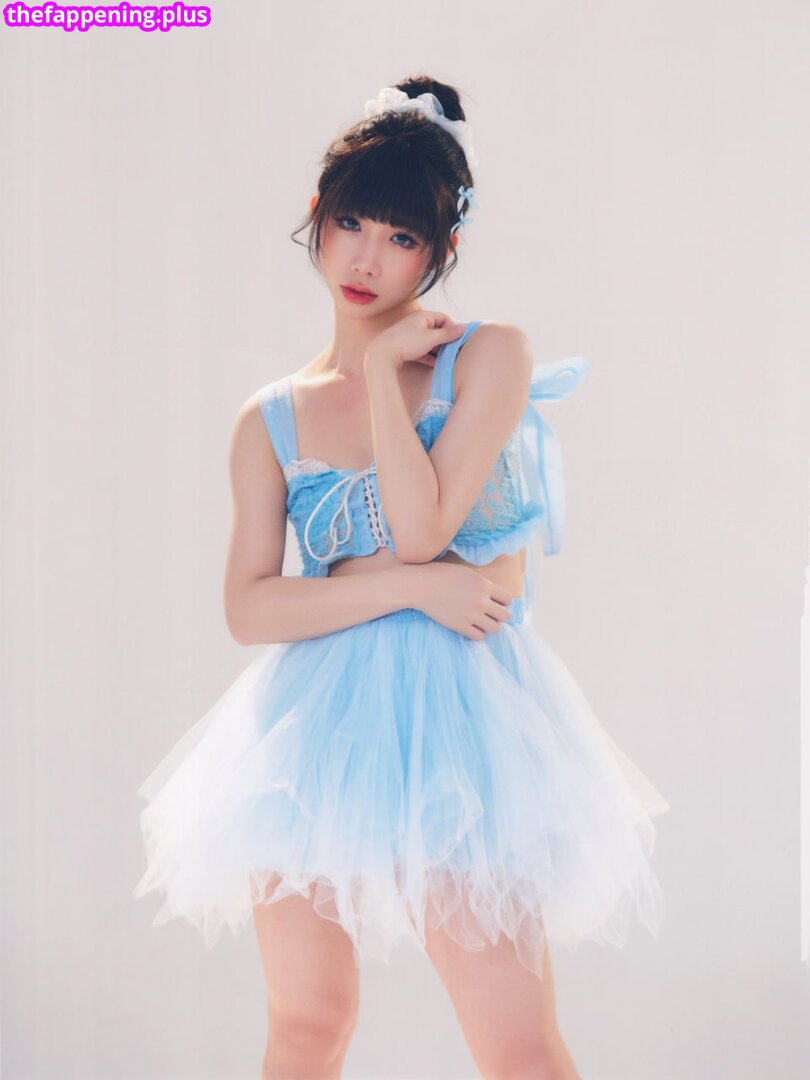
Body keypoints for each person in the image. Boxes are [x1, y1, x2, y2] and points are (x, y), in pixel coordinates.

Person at [134, 75, 670, 1080]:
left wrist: (384, 374)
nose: (367, 258)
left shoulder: (490, 358)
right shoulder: (272, 416)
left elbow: (422, 532)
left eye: (402, 237)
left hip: (466, 724)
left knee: (514, 1042)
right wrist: (411, 591)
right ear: (317, 215)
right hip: (312, 731)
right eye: (350, 223)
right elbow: (250, 607)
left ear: (442, 250)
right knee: (306, 1024)